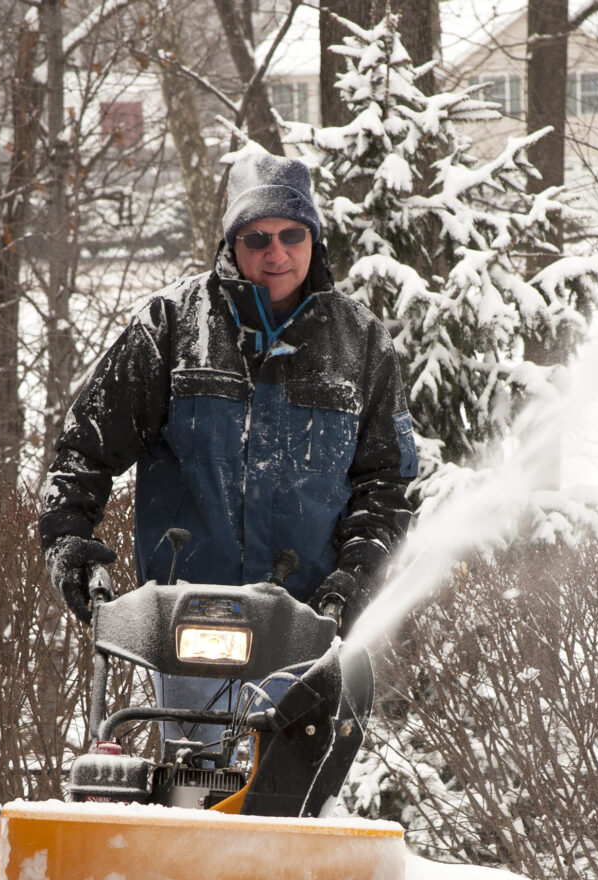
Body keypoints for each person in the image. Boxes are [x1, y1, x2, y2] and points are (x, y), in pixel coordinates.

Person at [39, 149, 416, 759]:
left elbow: (387, 485)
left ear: (314, 239)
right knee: (193, 781)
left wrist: (355, 579)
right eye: (256, 237)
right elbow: (83, 449)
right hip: (187, 618)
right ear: (231, 245)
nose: (276, 253)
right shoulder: (170, 326)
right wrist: (70, 543)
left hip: (306, 619)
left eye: (291, 235)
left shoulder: (360, 342)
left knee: (287, 793)